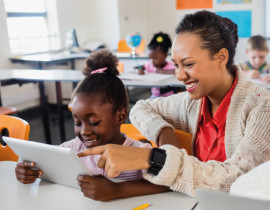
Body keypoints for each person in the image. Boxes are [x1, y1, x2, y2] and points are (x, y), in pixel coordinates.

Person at [78, 11, 270, 197]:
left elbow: (237, 179)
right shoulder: (192, 103)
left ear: (221, 57)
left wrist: (153, 159)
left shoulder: (262, 107)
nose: (179, 75)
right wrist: (164, 133)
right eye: (176, 65)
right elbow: (141, 108)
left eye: (188, 64)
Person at [14, 49, 169, 201]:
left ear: (120, 116)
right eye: (77, 122)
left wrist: (116, 190)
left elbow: (168, 182)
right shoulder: (75, 149)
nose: (84, 131)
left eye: (93, 122)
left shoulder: (138, 152)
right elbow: (44, 159)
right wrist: (26, 168)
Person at [135, 32, 175, 98]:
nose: (152, 61)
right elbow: (136, 68)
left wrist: (161, 71)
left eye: (155, 58)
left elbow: (177, 72)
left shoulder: (171, 65)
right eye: (151, 58)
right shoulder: (150, 65)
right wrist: (139, 71)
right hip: (155, 96)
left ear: (165, 55)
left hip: (169, 97)